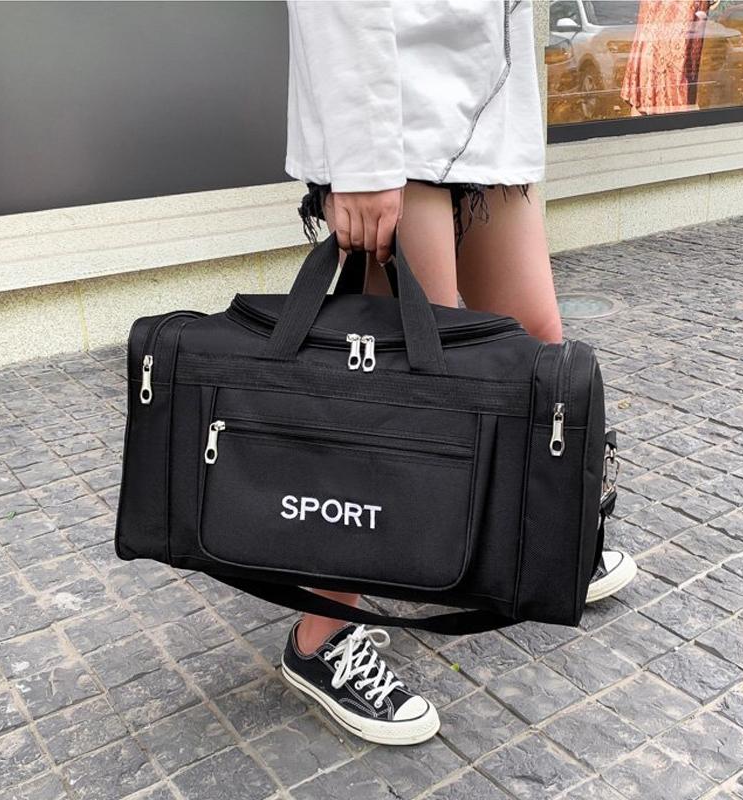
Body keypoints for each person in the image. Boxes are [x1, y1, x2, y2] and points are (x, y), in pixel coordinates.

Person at [279, 0, 637, 746]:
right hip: (396, 112)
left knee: (534, 345)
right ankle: (320, 634)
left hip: (484, 107)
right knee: (416, 390)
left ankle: (525, 546)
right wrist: (360, 160)